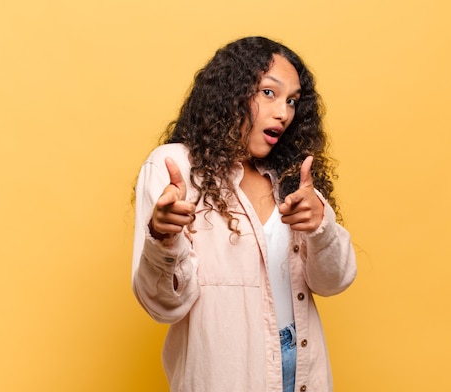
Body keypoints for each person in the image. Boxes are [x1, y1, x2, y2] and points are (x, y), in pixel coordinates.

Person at [132, 36, 357, 392]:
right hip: (228, 373)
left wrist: (321, 227)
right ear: (231, 92)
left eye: (292, 101)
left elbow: (335, 281)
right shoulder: (174, 166)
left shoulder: (292, 178)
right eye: (269, 92)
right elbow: (164, 306)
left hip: (301, 370)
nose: (283, 113)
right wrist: (163, 239)